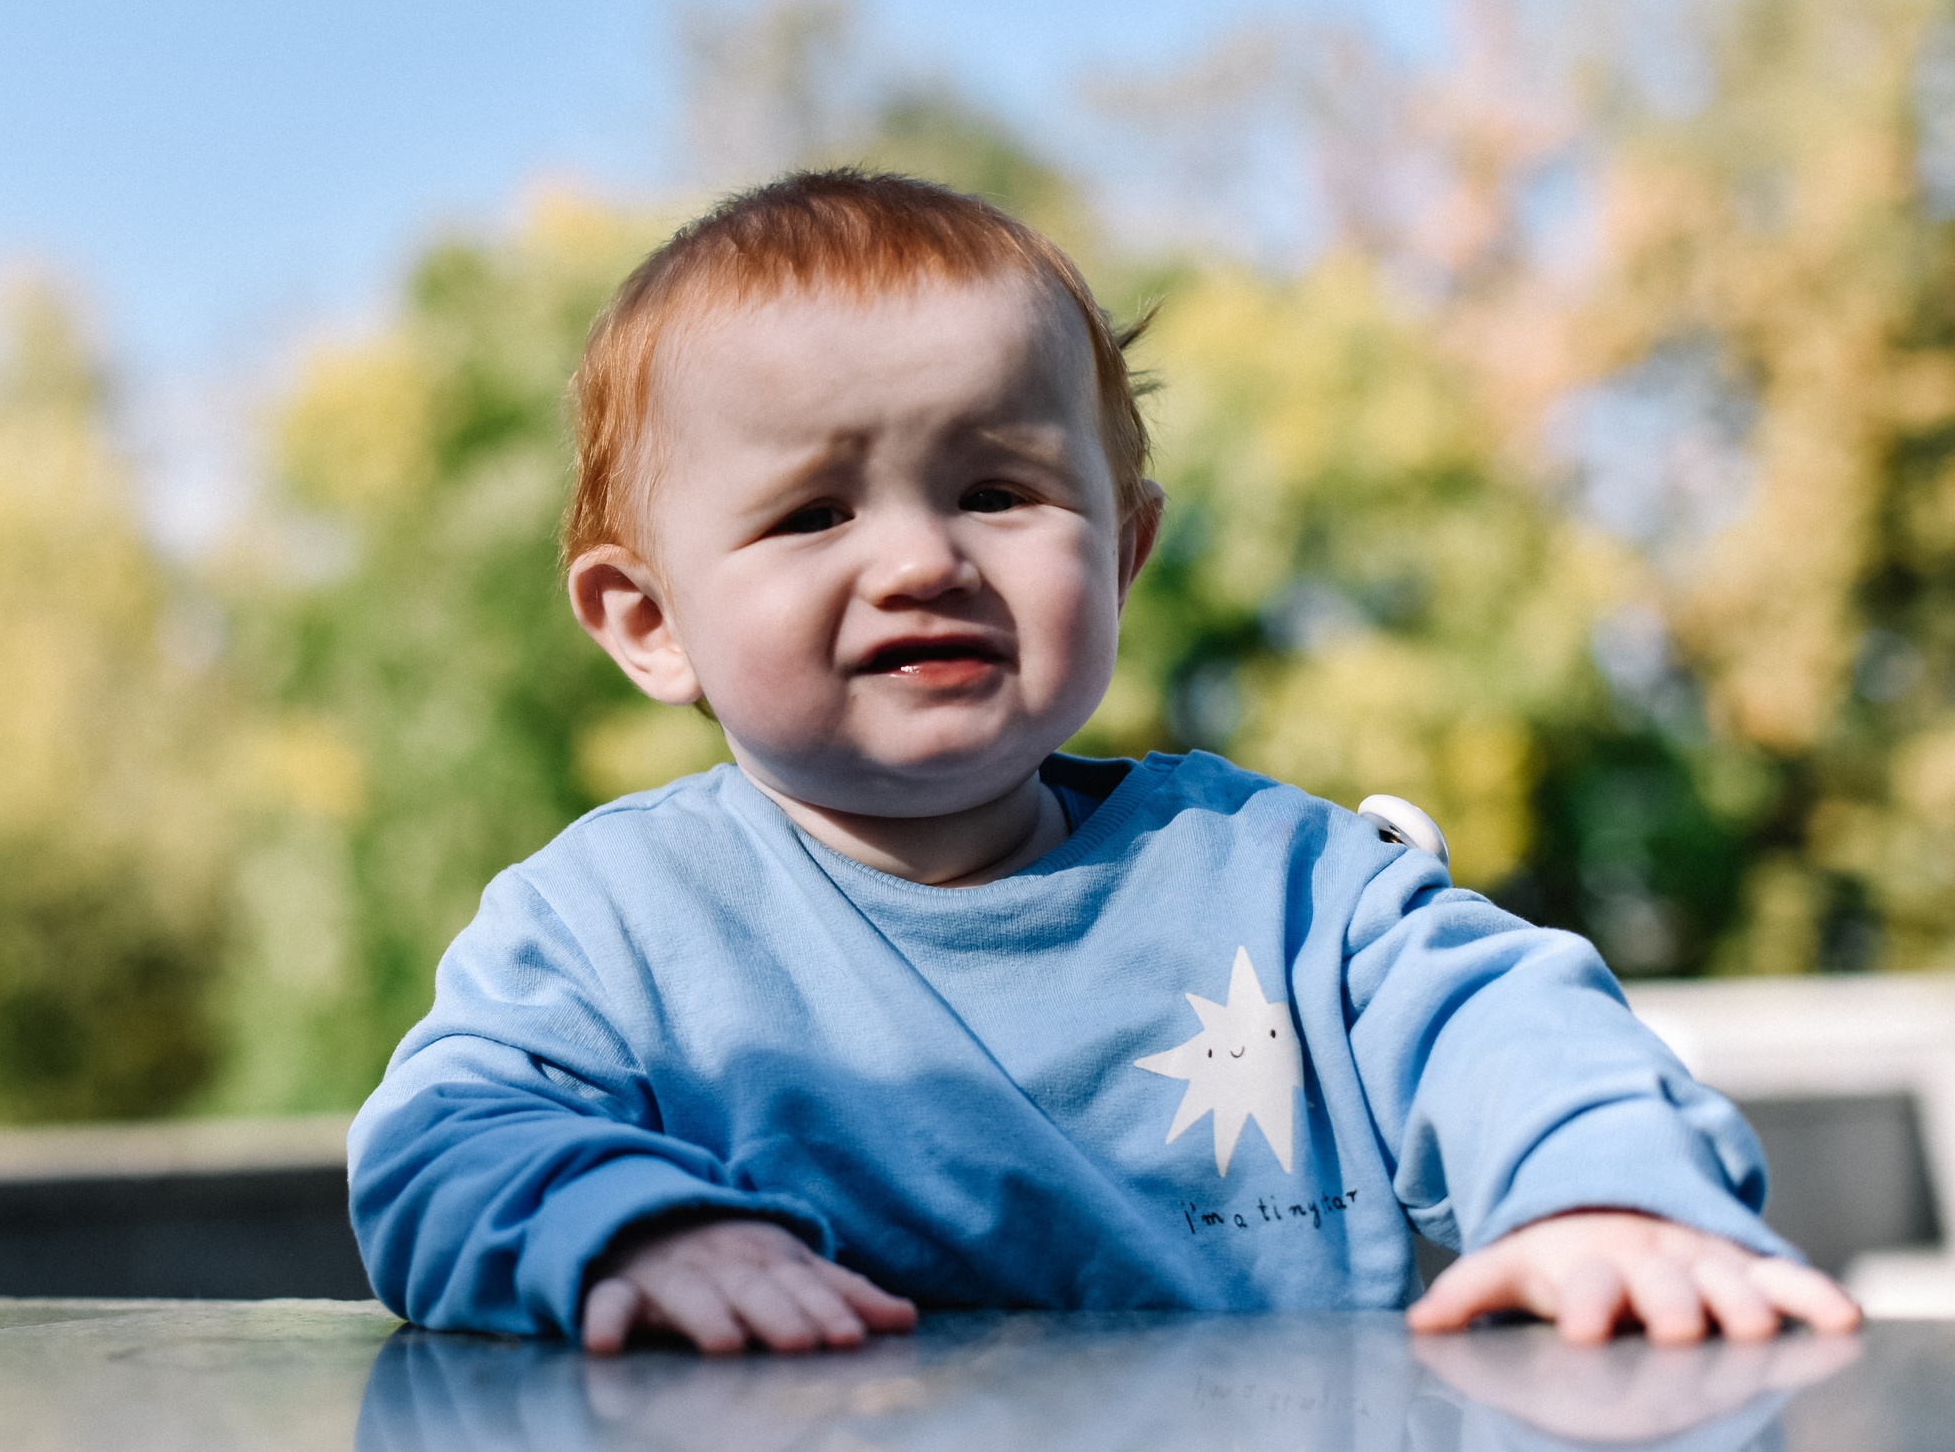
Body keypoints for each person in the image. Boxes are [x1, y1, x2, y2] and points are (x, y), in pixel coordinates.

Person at [346, 169, 1862, 1356]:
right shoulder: (617, 926)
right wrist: (630, 1233)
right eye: (814, 514)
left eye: (996, 490)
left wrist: (1599, 1196)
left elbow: (1504, 1022)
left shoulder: (1286, 886)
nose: (920, 560)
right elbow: (443, 1140)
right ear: (650, 621)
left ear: (1123, 553)